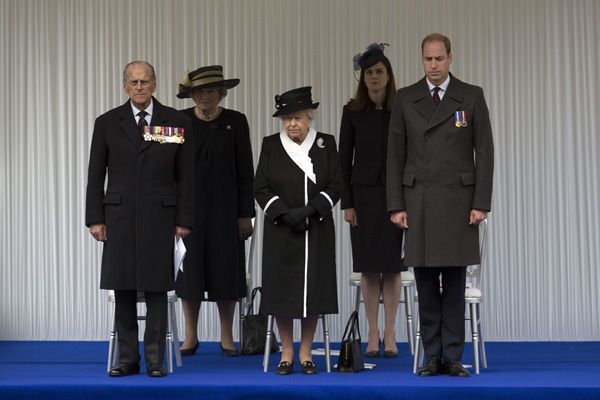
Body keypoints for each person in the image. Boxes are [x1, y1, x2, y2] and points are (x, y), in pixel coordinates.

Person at [387, 33, 494, 377]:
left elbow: (485, 152)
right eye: (427, 59)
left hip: (459, 202)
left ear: (450, 58)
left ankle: (453, 356)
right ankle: (432, 356)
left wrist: (481, 202)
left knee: (454, 281)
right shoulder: (405, 98)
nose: (433, 65)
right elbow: (395, 155)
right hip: (418, 200)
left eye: (438, 59)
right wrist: (396, 205)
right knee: (426, 283)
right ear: (422, 60)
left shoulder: (471, 96)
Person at [85, 61, 194, 377]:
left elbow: (185, 175)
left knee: (158, 288)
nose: (139, 86)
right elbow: (95, 175)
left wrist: (184, 218)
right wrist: (95, 218)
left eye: (145, 81)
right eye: (133, 81)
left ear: (155, 83)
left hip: (161, 216)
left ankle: (156, 360)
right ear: (124, 85)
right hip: (117, 216)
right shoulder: (107, 123)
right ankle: (128, 359)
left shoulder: (175, 121)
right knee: (124, 289)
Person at [254, 87, 342, 375]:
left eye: (298, 117)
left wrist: (309, 211)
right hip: (281, 229)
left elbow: (336, 185)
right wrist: (285, 215)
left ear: (309, 118)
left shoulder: (326, 144)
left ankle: (306, 351)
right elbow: (261, 187)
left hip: (315, 227)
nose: (292, 124)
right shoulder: (270, 144)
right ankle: (286, 350)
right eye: (287, 118)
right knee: (281, 291)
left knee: (313, 289)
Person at [174, 65, 254, 356]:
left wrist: (245, 214)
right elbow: (163, 165)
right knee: (189, 274)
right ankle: (190, 336)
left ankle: (226, 336)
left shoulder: (237, 121)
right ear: (191, 94)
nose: (205, 96)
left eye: (210, 90)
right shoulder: (178, 120)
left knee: (226, 274)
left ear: (221, 93)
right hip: (188, 213)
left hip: (226, 211)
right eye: (199, 91)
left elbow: (246, 171)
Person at [339, 43, 405, 358]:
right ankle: (373, 334)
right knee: (368, 268)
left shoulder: (403, 108)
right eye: (369, 73)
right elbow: (343, 161)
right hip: (363, 198)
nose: (375, 77)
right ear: (363, 79)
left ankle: (391, 333)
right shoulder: (351, 111)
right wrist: (347, 204)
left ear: (389, 75)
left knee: (392, 267)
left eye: (380, 71)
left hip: (396, 198)